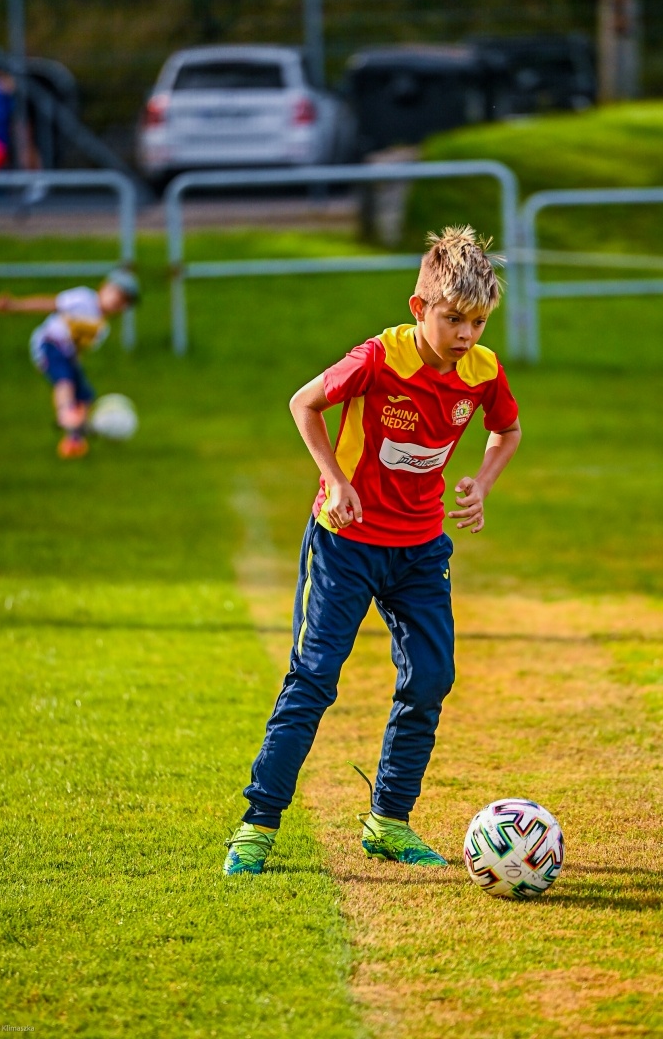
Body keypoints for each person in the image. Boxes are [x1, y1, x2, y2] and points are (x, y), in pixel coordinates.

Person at [224, 225, 522, 875]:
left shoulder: (484, 371)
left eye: (476, 320)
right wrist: (335, 479)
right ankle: (258, 824)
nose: (466, 334)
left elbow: (508, 429)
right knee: (314, 680)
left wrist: (482, 485)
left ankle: (389, 821)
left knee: (432, 678)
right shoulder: (379, 359)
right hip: (345, 546)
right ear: (420, 309)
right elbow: (304, 404)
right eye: (453, 319)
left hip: (419, 551)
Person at [0, 269, 140, 459]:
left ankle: (74, 440)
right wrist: (14, 305)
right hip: (50, 343)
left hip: (67, 355)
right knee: (65, 382)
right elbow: (49, 304)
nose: (117, 303)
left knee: (85, 396)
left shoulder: (102, 328)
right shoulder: (83, 299)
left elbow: (78, 349)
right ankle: (65, 414)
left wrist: (75, 364)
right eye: (116, 294)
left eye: (123, 302)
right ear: (103, 288)